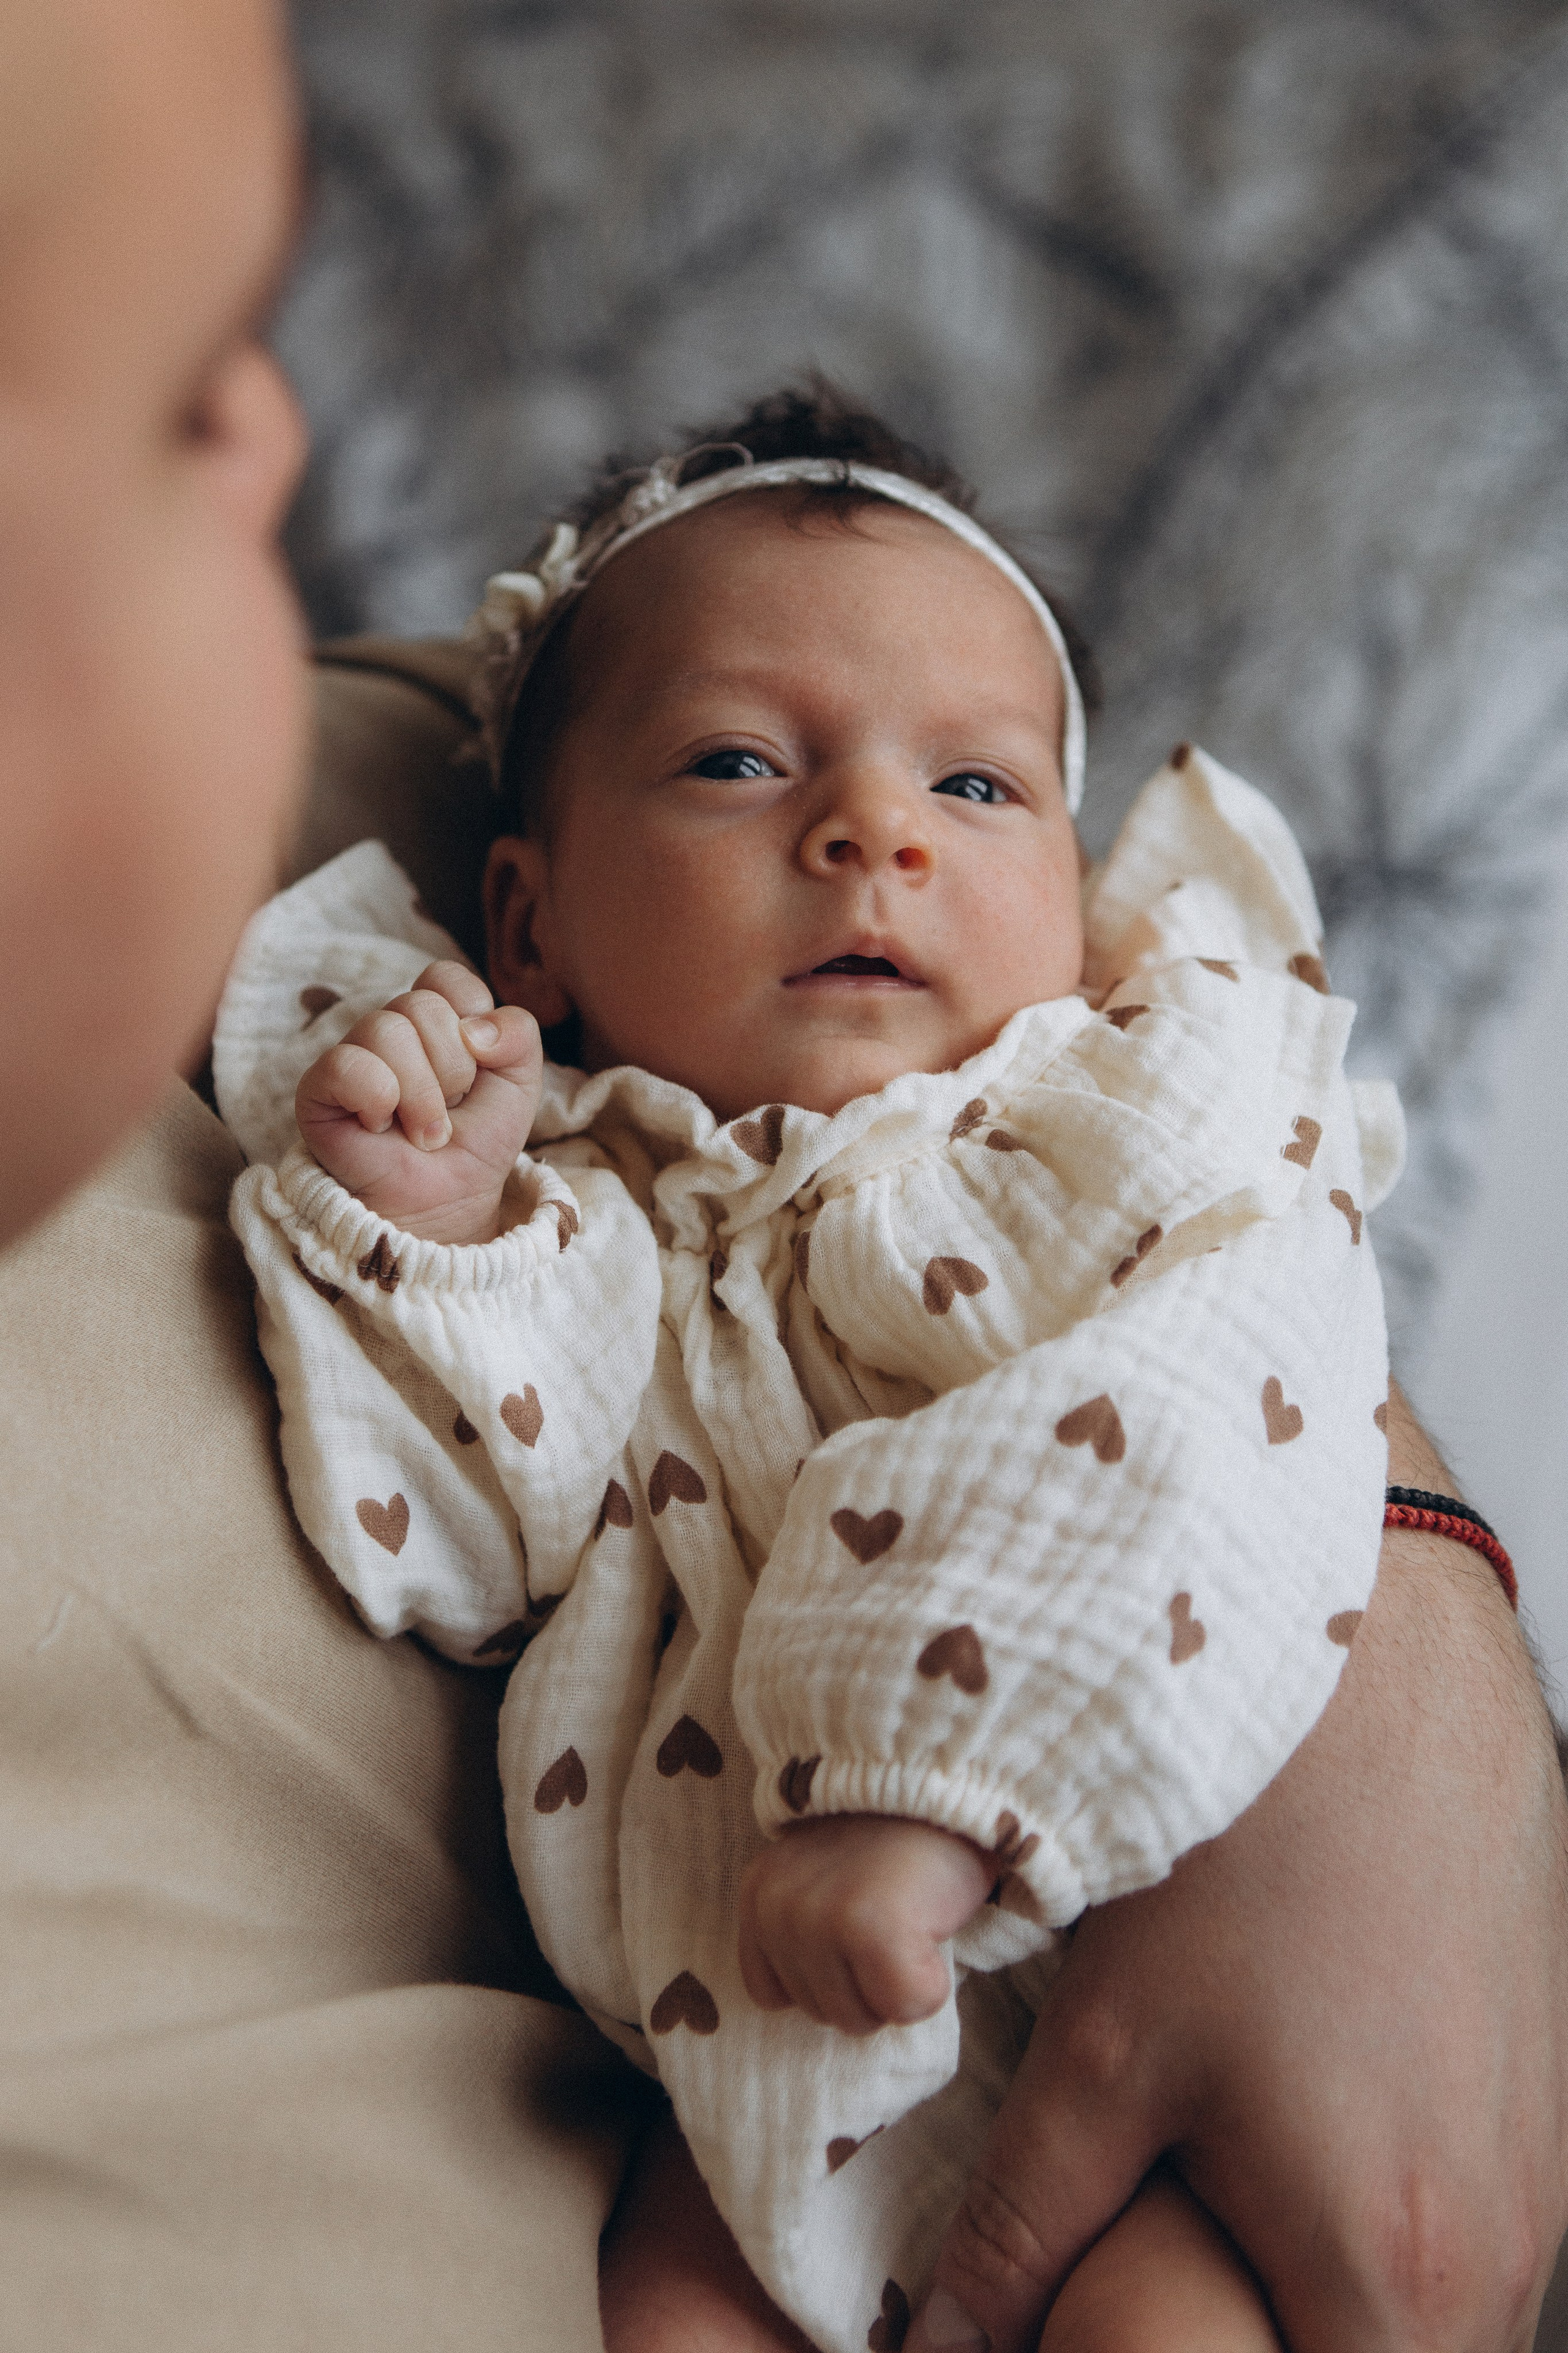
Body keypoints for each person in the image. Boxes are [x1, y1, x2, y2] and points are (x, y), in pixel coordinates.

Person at [1, 6, 1564, 2349]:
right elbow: (468, 1544)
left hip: (1088, 1936)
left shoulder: (1111, 1125)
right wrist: (426, 1235)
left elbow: (1211, 1413)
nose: (868, 832)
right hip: (723, 2047)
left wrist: (943, 1805)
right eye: (740, 762)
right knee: (674, 2312)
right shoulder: (589, 1189)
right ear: (527, 916)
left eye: (976, 789)